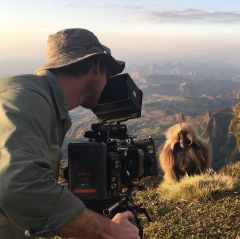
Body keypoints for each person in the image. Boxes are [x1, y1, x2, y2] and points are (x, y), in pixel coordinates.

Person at [0, 28, 140, 239]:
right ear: (96, 66)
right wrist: (111, 231)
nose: (108, 82)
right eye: (108, 73)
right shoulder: (25, 99)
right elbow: (17, 187)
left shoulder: (43, 103)